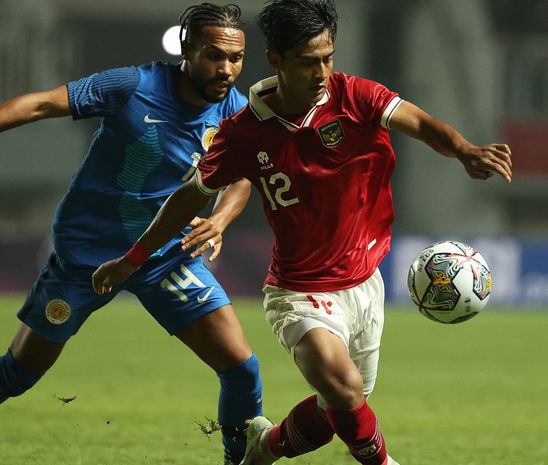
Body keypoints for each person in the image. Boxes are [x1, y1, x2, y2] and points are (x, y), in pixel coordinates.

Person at [91, 1, 513, 465]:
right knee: (346, 390)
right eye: (308, 62)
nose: (322, 73)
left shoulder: (356, 96)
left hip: (364, 283)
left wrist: (464, 150)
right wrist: (133, 258)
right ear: (276, 60)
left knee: (340, 409)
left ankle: (263, 448)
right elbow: (189, 197)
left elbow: (420, 124)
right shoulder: (243, 132)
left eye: (328, 58)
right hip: (298, 290)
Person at [0, 4, 263, 465]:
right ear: (187, 48)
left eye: (236, 58)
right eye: (213, 55)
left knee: (242, 369)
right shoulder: (133, 85)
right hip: (87, 253)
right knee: (18, 374)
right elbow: (40, 103)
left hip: (163, 255)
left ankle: (237, 462)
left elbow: (243, 175)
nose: (225, 69)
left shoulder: (238, 112)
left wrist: (221, 218)